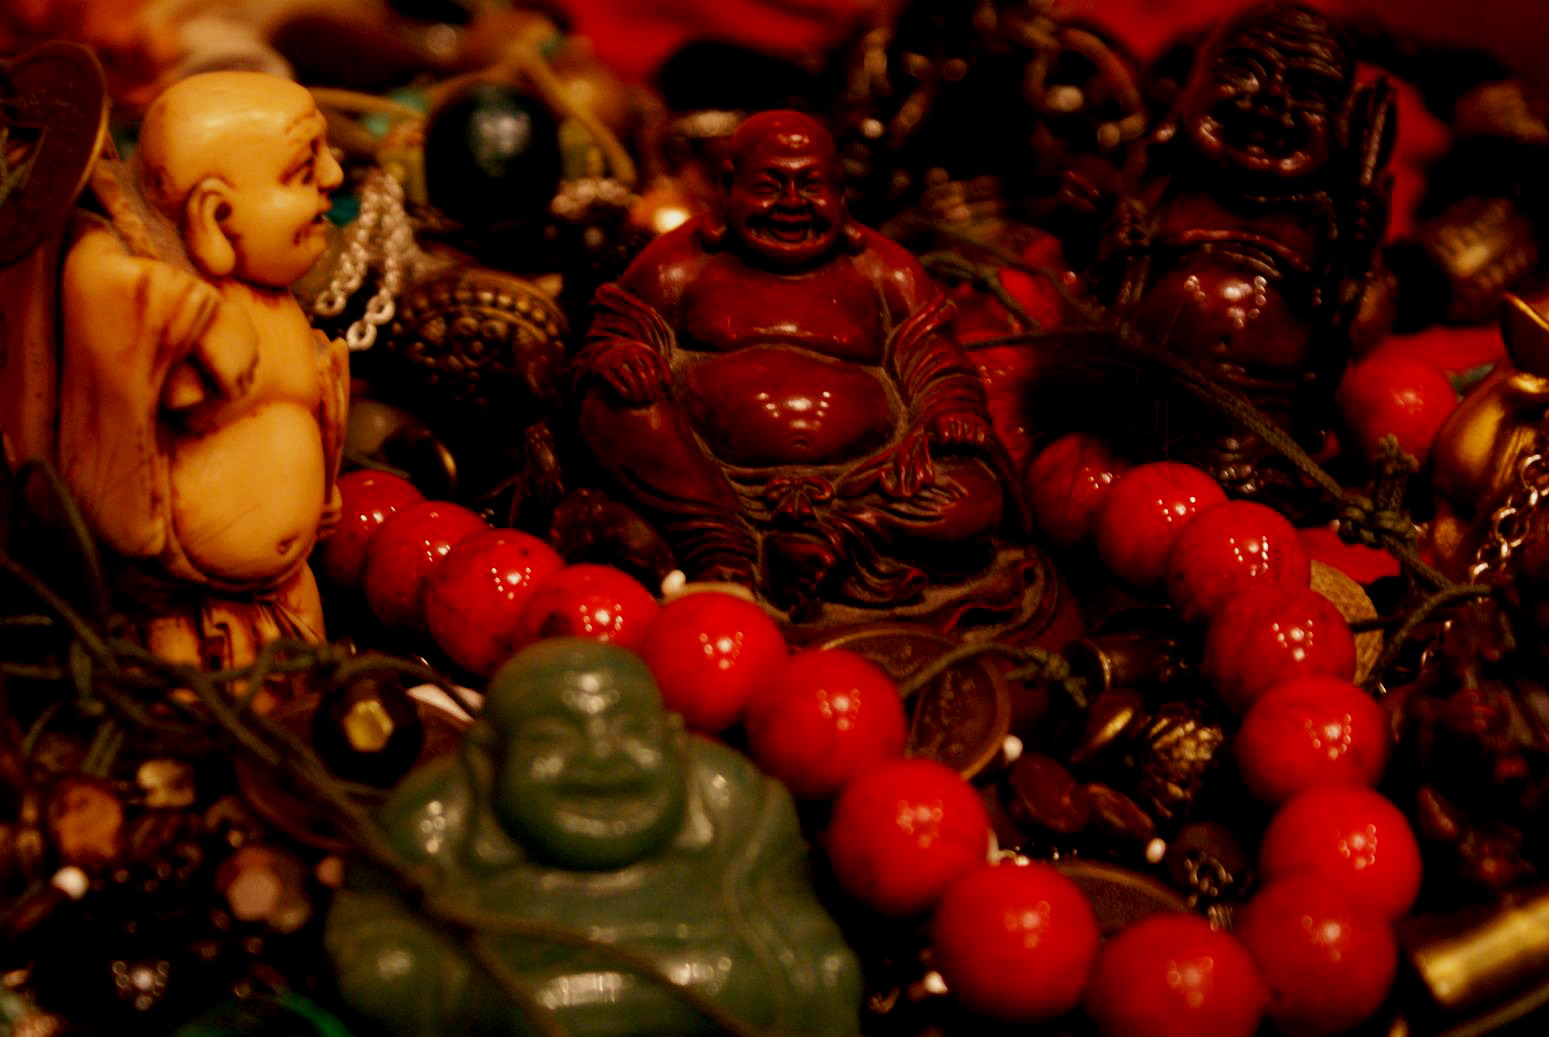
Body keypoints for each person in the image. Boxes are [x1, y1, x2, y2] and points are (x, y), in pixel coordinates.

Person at [574, 110, 1009, 617]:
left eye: (812, 186)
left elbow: (934, 357)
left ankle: (835, 541)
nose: (792, 204)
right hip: (711, 486)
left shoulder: (885, 271)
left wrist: (950, 409)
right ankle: (722, 551)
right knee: (616, 405)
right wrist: (623, 355)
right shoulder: (678, 264)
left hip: (866, 486)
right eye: (768, 186)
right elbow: (618, 331)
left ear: (840, 192)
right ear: (727, 187)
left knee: (975, 498)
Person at [325, 638, 861, 1037]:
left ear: (674, 739)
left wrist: (807, 974)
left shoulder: (732, 807)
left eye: (631, 730)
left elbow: (793, 920)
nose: (601, 757)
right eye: (552, 738)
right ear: (488, 760)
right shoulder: (436, 822)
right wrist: (446, 988)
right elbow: (374, 928)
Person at [48, 70, 348, 671]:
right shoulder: (149, 299)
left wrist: (323, 488)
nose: (335, 177)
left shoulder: (275, 303)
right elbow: (99, 277)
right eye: (302, 169)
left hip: (291, 596)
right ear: (216, 216)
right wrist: (190, 321)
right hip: (188, 624)